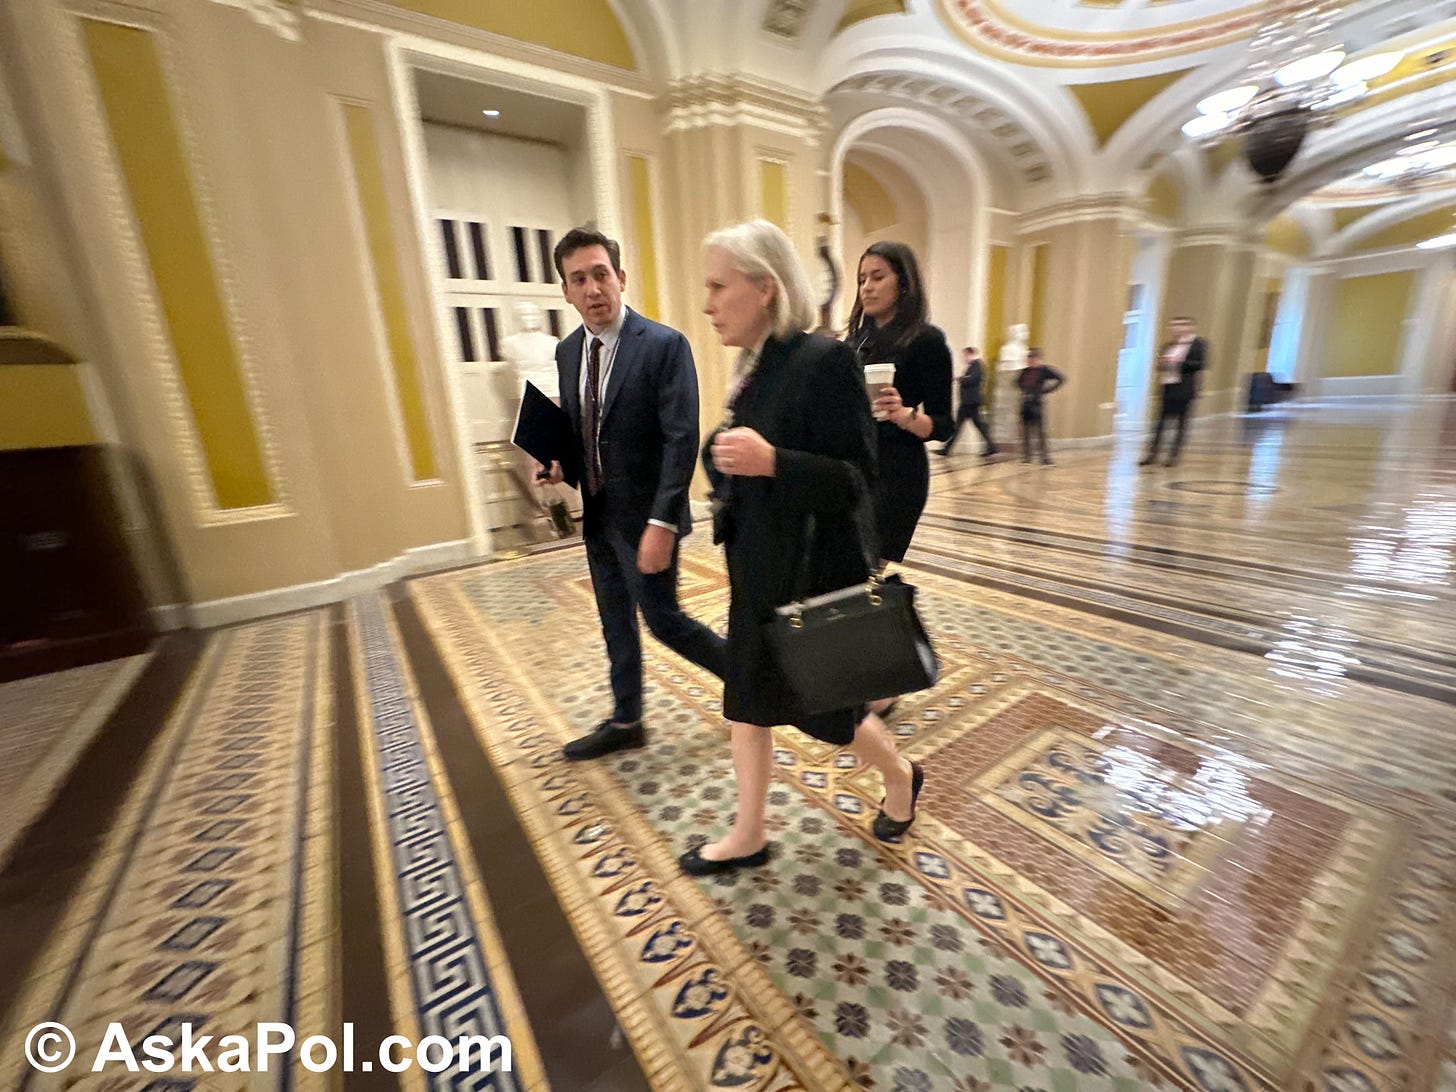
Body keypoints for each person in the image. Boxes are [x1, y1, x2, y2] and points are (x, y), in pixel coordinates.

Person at [681, 220, 923, 876]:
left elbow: (857, 478)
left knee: (829, 711)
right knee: (747, 701)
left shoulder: (824, 360)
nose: (707, 304)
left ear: (764, 288)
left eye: (718, 287)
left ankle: (900, 775)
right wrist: (725, 456)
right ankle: (749, 832)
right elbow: (748, 451)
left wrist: (773, 462)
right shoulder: (755, 364)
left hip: (808, 575)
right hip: (757, 568)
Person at [539, 227, 726, 761]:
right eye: (579, 279)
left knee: (664, 621)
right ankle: (627, 720)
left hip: (647, 519)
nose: (593, 288)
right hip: (598, 514)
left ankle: (749, 677)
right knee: (614, 621)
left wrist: (663, 523)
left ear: (621, 278)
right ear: (566, 292)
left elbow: (681, 439)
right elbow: (584, 429)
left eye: (601, 274)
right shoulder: (568, 352)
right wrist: (559, 463)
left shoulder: (664, 345)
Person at [845, 242, 955, 565]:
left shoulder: (926, 341)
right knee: (841, 567)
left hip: (897, 472)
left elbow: (943, 425)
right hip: (854, 466)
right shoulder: (855, 342)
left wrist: (904, 415)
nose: (867, 287)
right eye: (862, 279)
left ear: (904, 282)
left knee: (867, 568)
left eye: (877, 277)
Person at [1141, 316, 1208, 467]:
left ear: (1189, 327)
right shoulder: (1169, 345)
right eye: (1173, 326)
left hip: (1184, 388)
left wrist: (1179, 362)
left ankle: (1173, 456)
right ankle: (1152, 454)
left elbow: (1201, 364)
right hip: (1168, 386)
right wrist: (1163, 363)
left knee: (1181, 423)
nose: (1175, 329)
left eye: (1179, 325)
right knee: (1160, 422)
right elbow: (1160, 365)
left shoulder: (1198, 344)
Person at [939, 346, 998, 458]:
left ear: (970, 354)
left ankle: (946, 449)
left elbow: (973, 379)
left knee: (960, 426)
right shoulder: (974, 366)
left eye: (965, 355)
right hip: (969, 402)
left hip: (970, 402)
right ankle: (992, 447)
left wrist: (960, 379)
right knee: (974, 425)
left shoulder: (977, 365)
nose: (963, 358)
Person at [1018, 348, 1064, 466]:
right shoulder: (1025, 371)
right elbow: (1018, 382)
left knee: (1041, 431)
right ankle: (1027, 456)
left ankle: (1045, 457)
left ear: (1037, 359)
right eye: (1028, 360)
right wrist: (1024, 389)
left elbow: (1061, 378)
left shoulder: (1044, 370)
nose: (1030, 362)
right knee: (1026, 431)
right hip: (1026, 402)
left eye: (1032, 359)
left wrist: (1046, 390)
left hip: (1037, 403)